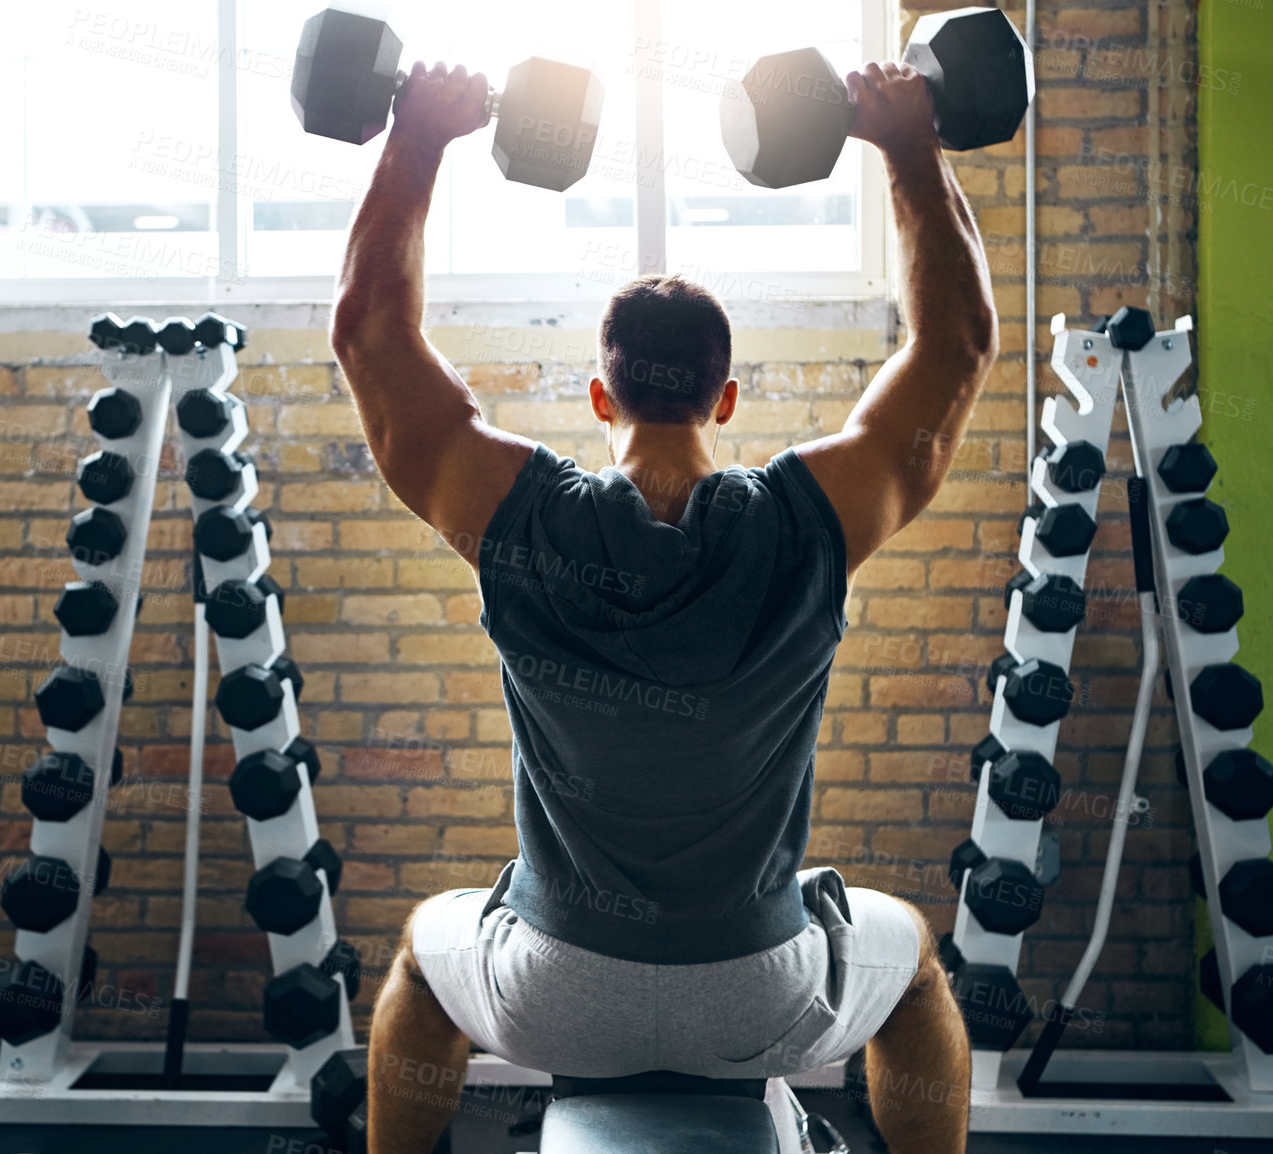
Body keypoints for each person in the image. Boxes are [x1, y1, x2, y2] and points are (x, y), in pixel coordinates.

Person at [329, 53, 995, 1154]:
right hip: (759, 990)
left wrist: (419, 135)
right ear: (725, 396)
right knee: (915, 963)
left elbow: (370, 336)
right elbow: (957, 346)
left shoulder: (518, 517)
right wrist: (907, 144)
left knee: (419, 954)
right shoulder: (808, 522)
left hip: (555, 985)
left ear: (603, 393)